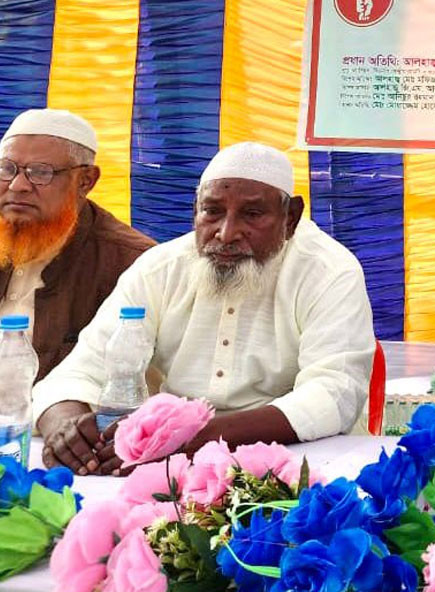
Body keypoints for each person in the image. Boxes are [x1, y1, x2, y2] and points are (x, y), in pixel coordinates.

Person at [33, 142, 375, 475]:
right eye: (212, 211)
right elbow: (79, 371)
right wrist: (66, 429)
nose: (226, 233)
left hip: (301, 460)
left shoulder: (328, 271)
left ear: (290, 218)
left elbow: (333, 394)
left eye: (252, 214)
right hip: (167, 460)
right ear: (195, 210)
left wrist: (192, 439)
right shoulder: (160, 268)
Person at [0, 108, 153, 379]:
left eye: (40, 172)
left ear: (86, 181)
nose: (17, 185)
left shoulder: (134, 264)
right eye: (6, 169)